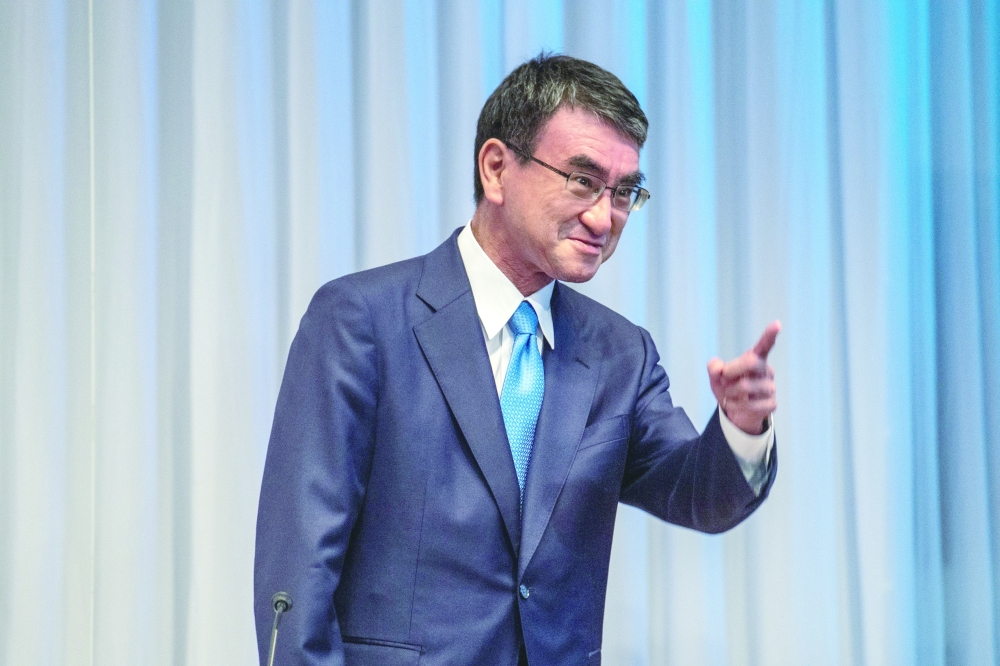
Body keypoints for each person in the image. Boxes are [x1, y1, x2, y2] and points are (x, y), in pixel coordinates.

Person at [254, 53, 779, 666]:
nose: (603, 216)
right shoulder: (361, 322)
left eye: (625, 192)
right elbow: (299, 568)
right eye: (583, 181)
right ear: (498, 169)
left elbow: (698, 494)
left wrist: (742, 428)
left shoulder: (619, 354)